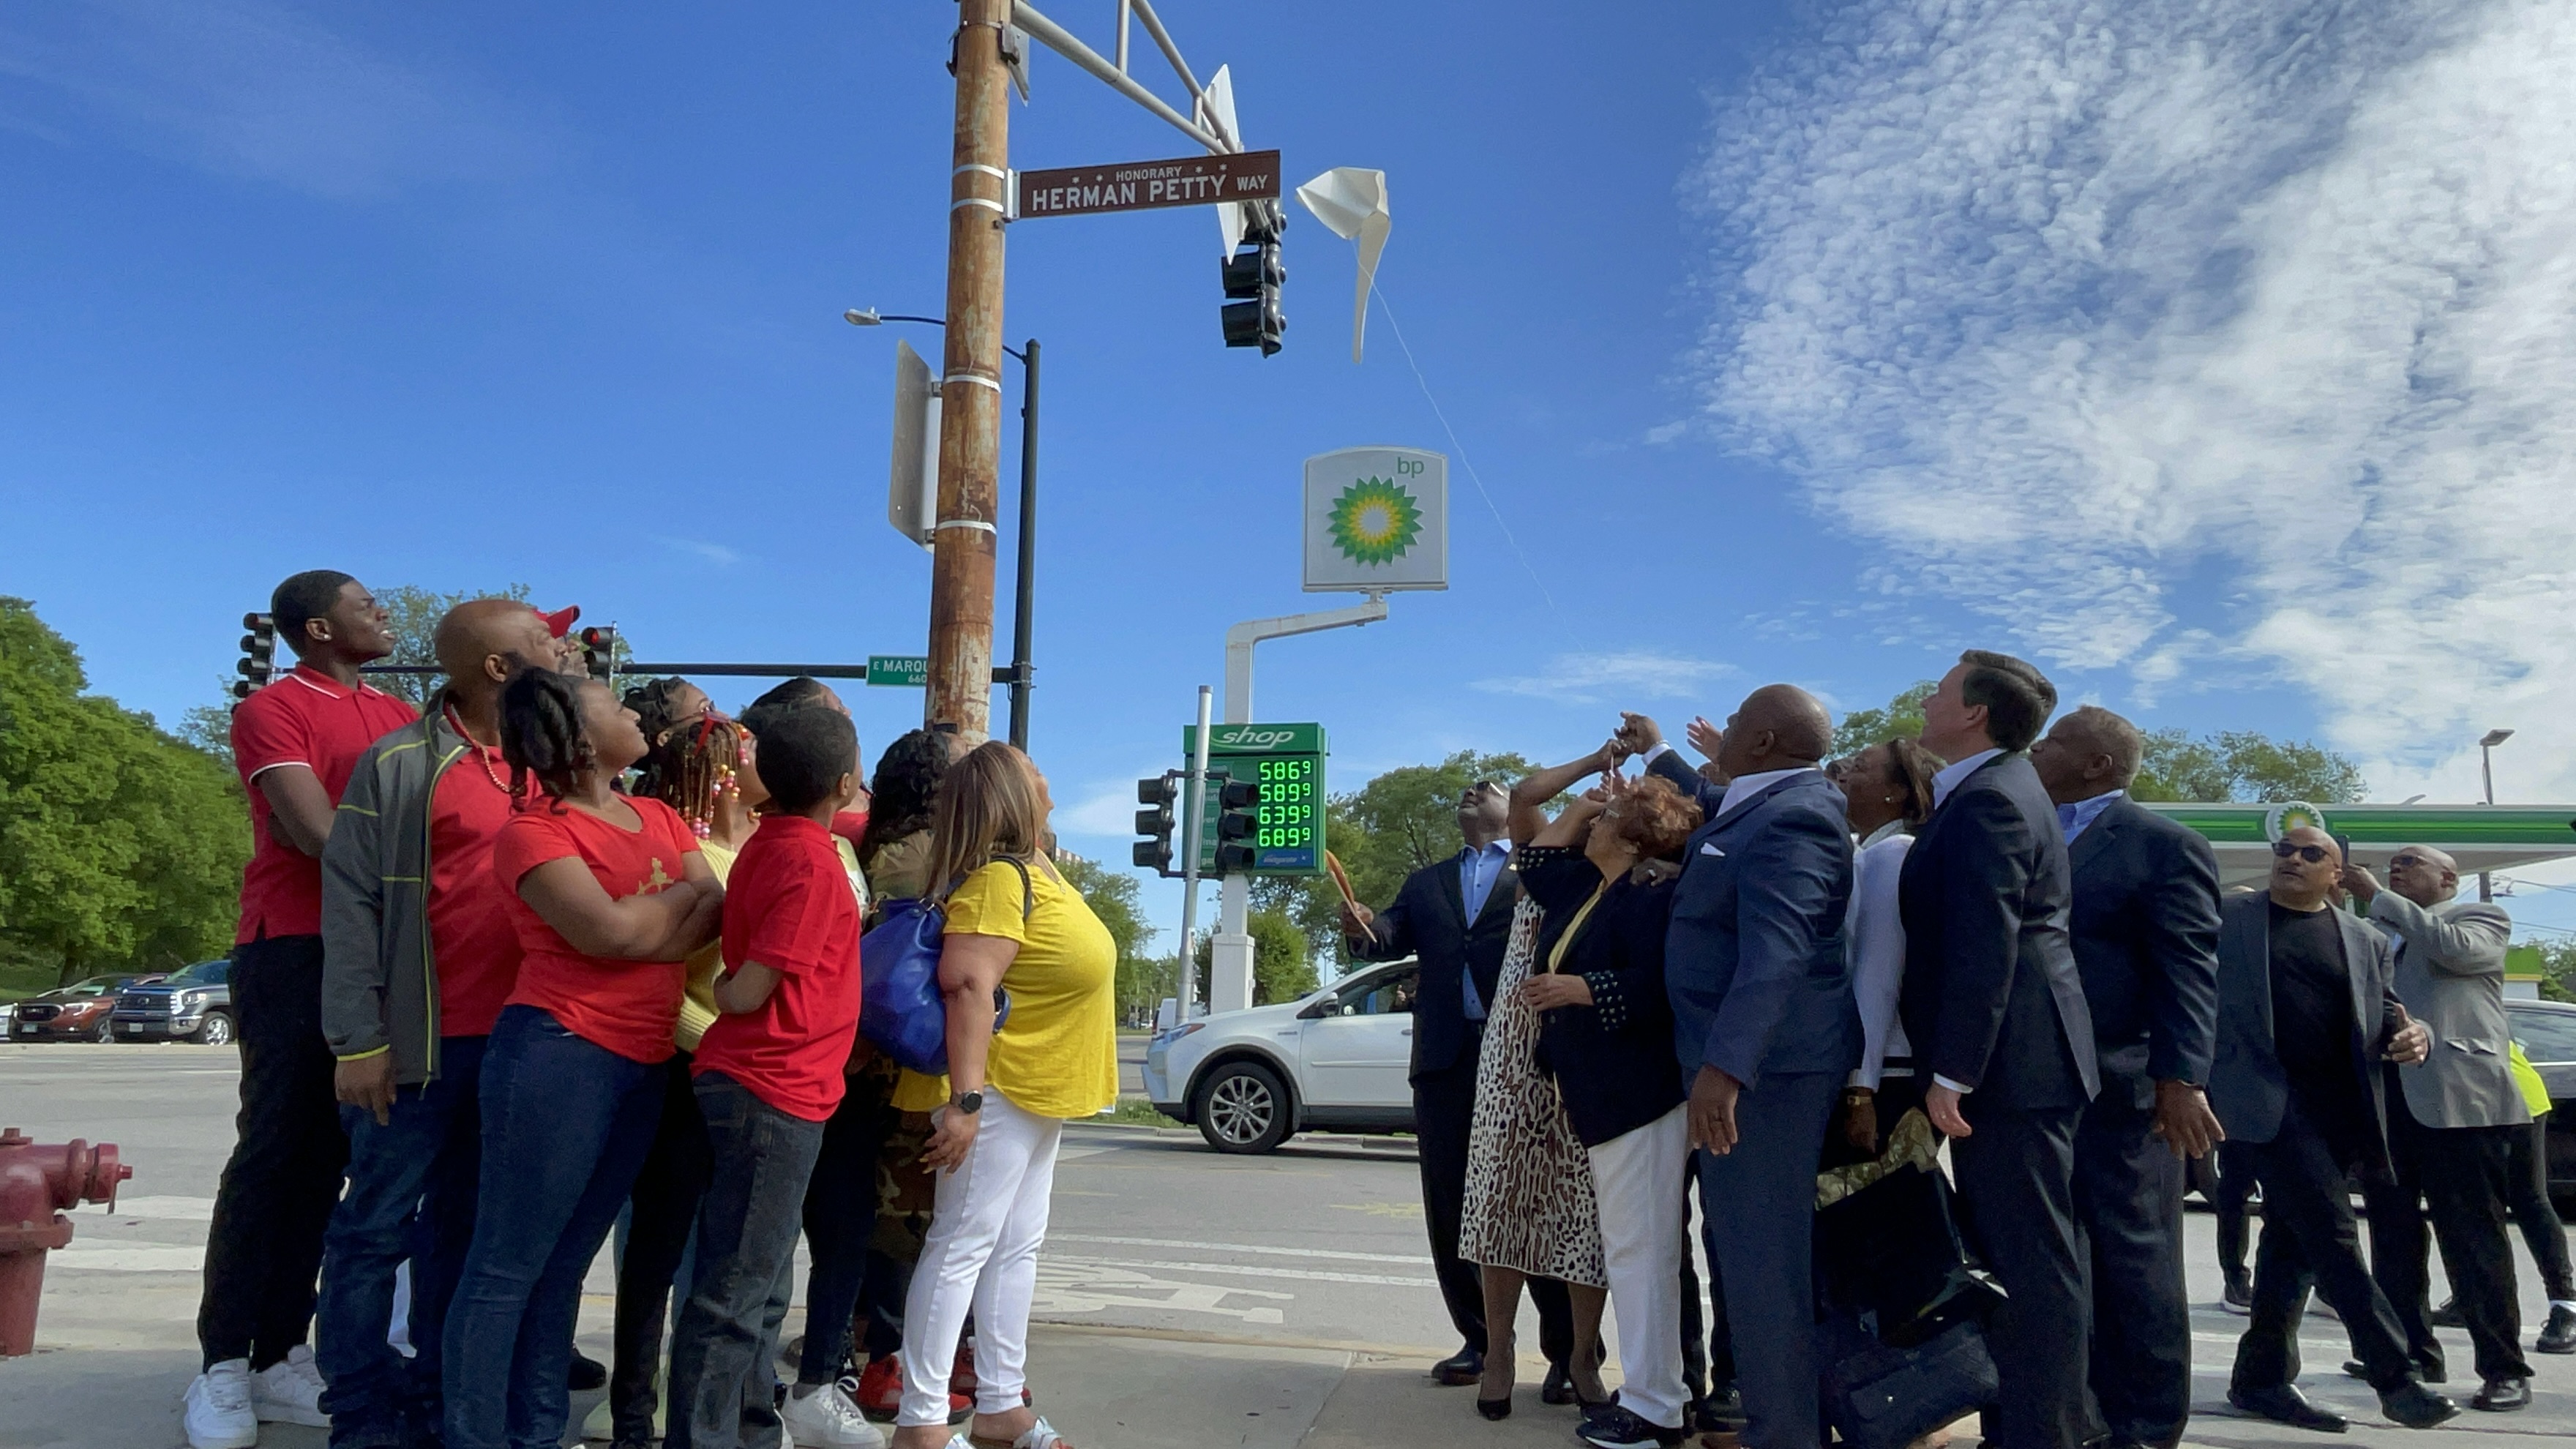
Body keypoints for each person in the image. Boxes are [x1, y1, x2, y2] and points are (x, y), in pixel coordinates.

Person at [443, 669, 724, 1449]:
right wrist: (666, 912)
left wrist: (642, 922)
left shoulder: (659, 814)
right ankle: (472, 1434)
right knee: (507, 1266)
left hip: (643, 1063)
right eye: (614, 704)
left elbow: (709, 915)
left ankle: (536, 1432)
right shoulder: (534, 831)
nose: (634, 714)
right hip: (559, 1052)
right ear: (575, 732)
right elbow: (604, 934)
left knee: (567, 1263)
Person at [312, 599, 555, 1449]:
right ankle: (360, 1409)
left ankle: (435, 1392)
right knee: (373, 1231)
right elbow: (348, 906)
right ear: (497, 667)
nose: (558, 651)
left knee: (466, 1229)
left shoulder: (555, 764)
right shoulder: (400, 764)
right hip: (415, 1045)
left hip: (525, 1048)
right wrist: (359, 1040)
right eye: (541, 641)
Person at [187, 571, 411, 1449]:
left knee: (332, 1159)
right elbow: (311, 832)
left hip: (383, 954)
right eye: (366, 605)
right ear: (317, 628)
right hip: (295, 945)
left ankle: (282, 1351)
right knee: (274, 1153)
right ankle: (221, 1365)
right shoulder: (273, 709)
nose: (384, 614)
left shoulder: (399, 717)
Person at [1629, 686, 1857, 1449]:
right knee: (1748, 1258)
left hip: (1763, 1081)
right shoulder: (1758, 802)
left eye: (1731, 724)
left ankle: (1784, 1434)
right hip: (1741, 1069)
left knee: (1764, 1268)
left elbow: (1777, 953)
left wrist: (1724, 1071)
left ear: (1760, 743)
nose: (1718, 733)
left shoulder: (1796, 814)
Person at [891, 742, 1118, 1449]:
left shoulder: (1033, 872)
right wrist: (964, 1103)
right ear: (1013, 794)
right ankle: (922, 1422)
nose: (1048, 776)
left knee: (1015, 1247)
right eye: (1033, 770)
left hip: (1034, 1089)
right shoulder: (997, 881)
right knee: (961, 1245)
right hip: (996, 1087)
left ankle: (998, 1402)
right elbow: (967, 986)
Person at [1896, 651, 2097, 1449]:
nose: (1926, 696)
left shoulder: (1992, 801)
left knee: (2034, 1263)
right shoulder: (1990, 790)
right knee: (2021, 1258)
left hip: (2016, 1068)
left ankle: (2045, 1434)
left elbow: (1989, 946)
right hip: (2015, 1064)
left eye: (1940, 689)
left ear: (1975, 713)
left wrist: (1954, 1072)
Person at [666, 708, 870, 1449]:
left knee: (760, 1278)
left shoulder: (764, 845)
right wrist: (727, 995)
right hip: (773, 1084)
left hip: (771, 1083)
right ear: (846, 783)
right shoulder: (813, 861)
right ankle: (704, 1436)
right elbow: (752, 986)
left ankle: (752, 1427)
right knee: (736, 1289)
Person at [2208, 826, 2455, 1432]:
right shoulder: (2230, 915)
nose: (2292, 859)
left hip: (2340, 1111)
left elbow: (2387, 1009)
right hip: (2261, 1103)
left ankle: (2261, 1380)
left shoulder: (2365, 938)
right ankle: (2396, 1379)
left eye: (2311, 854)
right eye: (2284, 851)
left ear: (2336, 875)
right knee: (2335, 1233)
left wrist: (2413, 1031)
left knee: (2292, 1248)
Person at [1341, 781, 1579, 1396]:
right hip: (1446, 1060)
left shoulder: (1539, 867)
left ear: (1514, 809)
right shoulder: (1426, 883)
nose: (1474, 790)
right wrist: (1364, 923)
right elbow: (1386, 935)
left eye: (1491, 785)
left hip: (1526, 1058)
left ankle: (1568, 1352)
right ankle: (1480, 1342)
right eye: (1469, 789)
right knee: (1451, 1204)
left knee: (1538, 1199)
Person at [2029, 705, 2223, 1449]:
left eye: (2051, 744)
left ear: (2094, 766)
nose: (2036, 752)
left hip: (2127, 1089)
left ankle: (2143, 1425)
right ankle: (2077, 1414)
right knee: (2064, 1258)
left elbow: (2188, 970)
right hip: (2042, 1085)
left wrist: (2180, 1079)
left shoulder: (2161, 845)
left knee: (2132, 1257)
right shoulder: (2038, 833)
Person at [588, 678, 761, 1449]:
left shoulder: (767, 845)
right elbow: (669, 973)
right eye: (747, 749)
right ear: (721, 767)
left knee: (725, 1260)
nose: (762, 755)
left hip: (740, 1077)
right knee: (656, 1251)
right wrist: (713, 1045)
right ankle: (634, 1408)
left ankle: (709, 1400)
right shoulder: (684, 848)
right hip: (683, 1069)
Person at [1511, 765, 1699, 1448]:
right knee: (1632, 1248)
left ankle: (1657, 1406)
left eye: (1608, 814)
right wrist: (1591, 798)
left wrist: (1581, 990)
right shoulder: (1595, 891)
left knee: (1641, 1251)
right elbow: (1536, 859)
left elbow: (1663, 985)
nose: (1591, 820)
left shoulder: (1653, 896)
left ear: (1630, 835)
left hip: (1639, 1096)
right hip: (1606, 1096)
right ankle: (1657, 1394)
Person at [2342, 846, 2532, 1411]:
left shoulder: (2479, 918)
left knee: (2472, 1240)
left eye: (2411, 863)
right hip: (2388, 1098)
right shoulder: (2378, 925)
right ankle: (2409, 1354)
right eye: (2392, 865)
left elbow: (2455, 952)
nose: (2396, 869)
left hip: (2457, 1102)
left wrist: (2380, 897)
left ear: (2448, 878)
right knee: (2393, 1238)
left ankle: (2504, 1367)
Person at [1831, 737, 1941, 1152]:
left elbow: (1877, 975)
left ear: (1896, 793)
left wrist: (1861, 1090)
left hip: (1885, 1071)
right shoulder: (1870, 850)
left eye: (1860, 767)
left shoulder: (1894, 855)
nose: (1845, 775)